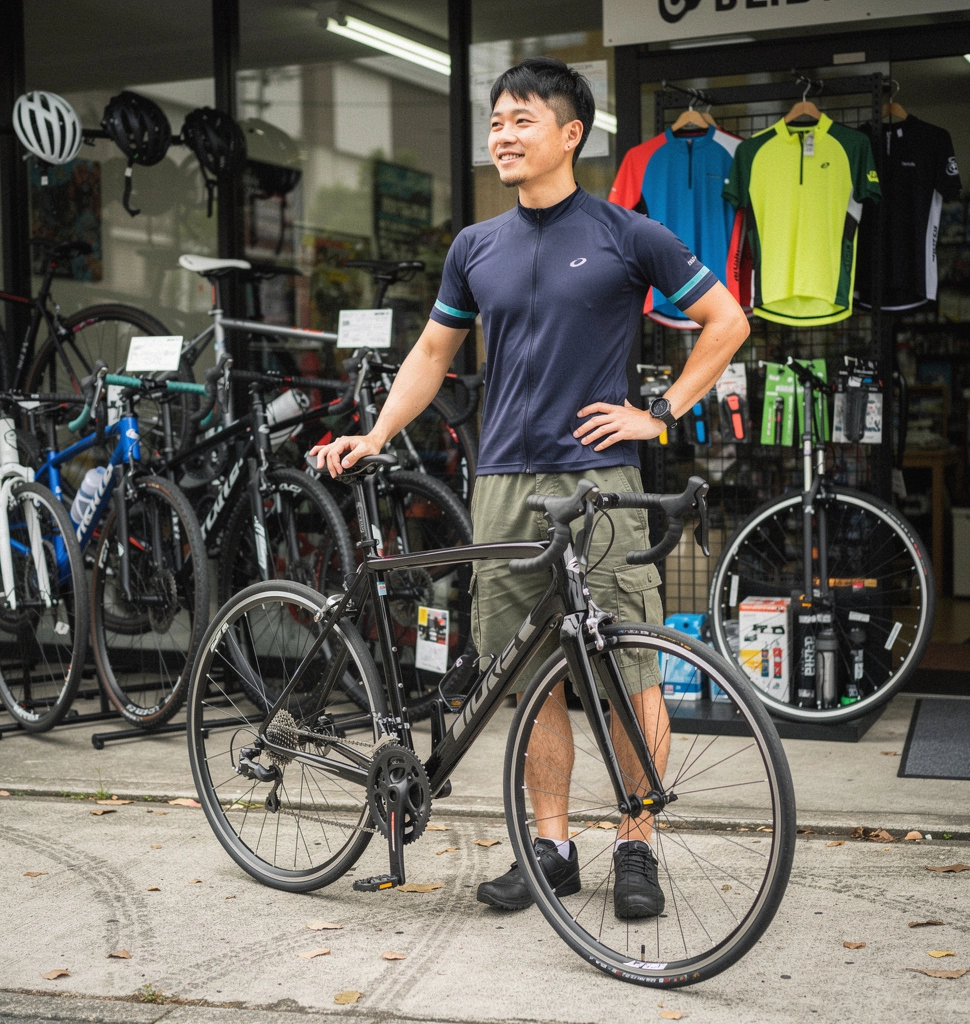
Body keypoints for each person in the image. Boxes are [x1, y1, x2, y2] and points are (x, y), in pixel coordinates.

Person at [313, 57, 750, 917]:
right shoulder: (477, 246)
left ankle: (637, 844)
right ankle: (550, 847)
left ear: (570, 135)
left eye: (520, 120)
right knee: (528, 678)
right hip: (503, 484)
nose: (502, 136)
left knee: (629, 672)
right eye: (496, 122)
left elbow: (726, 321)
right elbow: (434, 355)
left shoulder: (628, 233)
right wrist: (378, 432)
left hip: (598, 485)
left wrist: (658, 414)